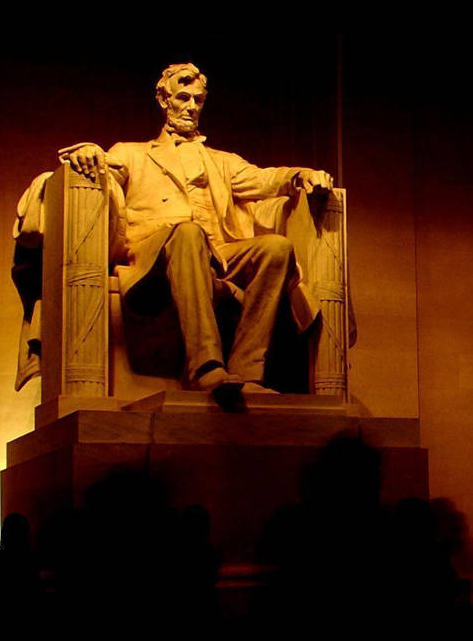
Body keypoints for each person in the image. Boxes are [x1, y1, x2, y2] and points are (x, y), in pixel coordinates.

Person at [53, 62, 336, 395]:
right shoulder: (131, 153)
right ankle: (205, 367)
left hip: (217, 253)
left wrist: (300, 175)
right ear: (163, 100)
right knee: (187, 232)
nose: (190, 107)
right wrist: (89, 152)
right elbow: (105, 174)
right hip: (156, 254)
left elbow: (265, 178)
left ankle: (246, 374)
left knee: (277, 248)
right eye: (183, 98)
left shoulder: (223, 161)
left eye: (198, 100)